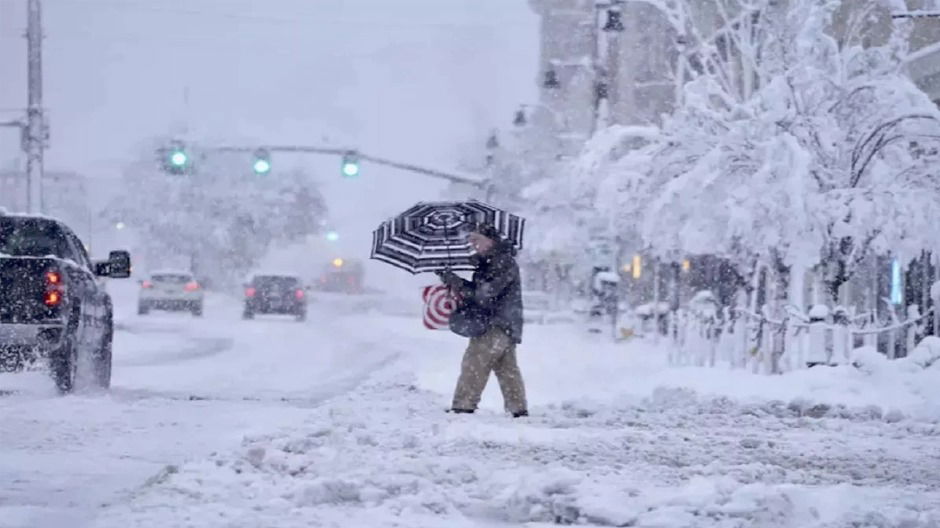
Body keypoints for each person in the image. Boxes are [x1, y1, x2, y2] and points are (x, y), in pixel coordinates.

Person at [437, 223, 528, 418]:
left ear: (491, 240)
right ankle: (518, 409)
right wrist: (451, 278)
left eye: (477, 240)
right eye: (471, 240)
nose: (473, 244)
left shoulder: (500, 262)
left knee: (474, 363)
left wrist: (456, 282)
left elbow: (484, 294)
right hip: (506, 324)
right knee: (507, 369)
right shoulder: (493, 262)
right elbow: (482, 291)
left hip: (494, 324)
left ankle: (463, 406)